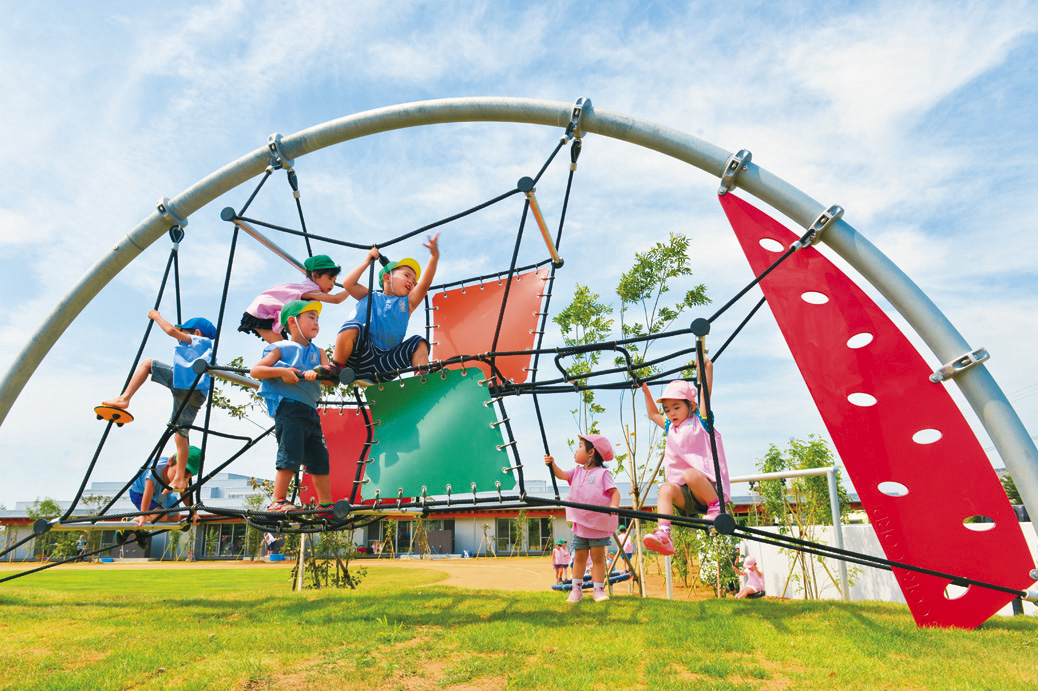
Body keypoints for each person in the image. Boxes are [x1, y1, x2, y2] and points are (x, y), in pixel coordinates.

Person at [101, 310, 215, 493]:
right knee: (180, 433)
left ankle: (124, 398)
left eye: (184, 332)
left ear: (197, 332)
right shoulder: (208, 349)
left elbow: (171, 331)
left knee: (148, 364)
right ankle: (179, 478)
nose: (181, 336)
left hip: (184, 383)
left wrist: (156, 316)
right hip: (198, 392)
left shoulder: (200, 341)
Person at [315, 236, 439, 383]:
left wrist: (434, 257)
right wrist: (367, 261)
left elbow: (424, 285)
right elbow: (349, 283)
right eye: (406, 275)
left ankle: (421, 375)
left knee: (419, 342)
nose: (411, 282)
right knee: (353, 326)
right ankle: (336, 367)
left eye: (413, 281)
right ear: (386, 278)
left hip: (387, 363)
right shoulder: (370, 296)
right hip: (360, 355)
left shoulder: (407, 303)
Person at [250, 300, 335, 514]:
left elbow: (329, 380)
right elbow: (256, 370)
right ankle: (278, 500)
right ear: (292, 321)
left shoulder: (320, 351)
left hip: (310, 411)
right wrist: (283, 372)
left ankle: (325, 504)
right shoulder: (282, 348)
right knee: (291, 452)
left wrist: (320, 372)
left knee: (319, 457)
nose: (316, 322)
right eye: (311, 317)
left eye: (318, 318)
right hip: (289, 408)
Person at [640, 358, 731, 556]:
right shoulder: (670, 427)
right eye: (668, 410)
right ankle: (664, 534)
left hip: (707, 489)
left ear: (690, 405)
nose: (671, 413)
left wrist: (706, 366)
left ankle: (717, 509)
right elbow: (652, 414)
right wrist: (646, 391)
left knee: (690, 473)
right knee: (664, 488)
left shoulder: (701, 421)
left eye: (676, 407)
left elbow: (706, 394)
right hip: (687, 494)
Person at [544, 433, 621, 603]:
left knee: (598, 558)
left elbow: (615, 492)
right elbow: (562, 475)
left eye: (579, 446)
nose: (576, 450)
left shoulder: (602, 474)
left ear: (591, 452)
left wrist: (614, 506)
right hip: (581, 525)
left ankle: (598, 590)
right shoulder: (576, 472)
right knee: (579, 557)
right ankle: (576, 590)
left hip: (598, 526)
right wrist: (552, 464)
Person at [238, 255, 352, 344]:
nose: (332, 284)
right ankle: (275, 370)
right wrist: (351, 287)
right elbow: (336, 299)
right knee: (284, 348)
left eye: (334, 281)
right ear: (316, 275)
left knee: (287, 347)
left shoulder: (309, 290)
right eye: (330, 279)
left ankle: (285, 370)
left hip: (270, 313)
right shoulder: (309, 290)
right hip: (262, 312)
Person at [128, 446, 200, 528]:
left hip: (161, 495)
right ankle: (133, 521)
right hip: (140, 493)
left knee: (175, 518)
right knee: (160, 516)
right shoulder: (154, 473)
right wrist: (143, 515)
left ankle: (143, 528)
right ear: (169, 462)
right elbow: (147, 494)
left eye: (186, 477)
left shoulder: (181, 478)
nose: (180, 479)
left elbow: (185, 495)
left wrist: (194, 513)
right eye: (176, 473)